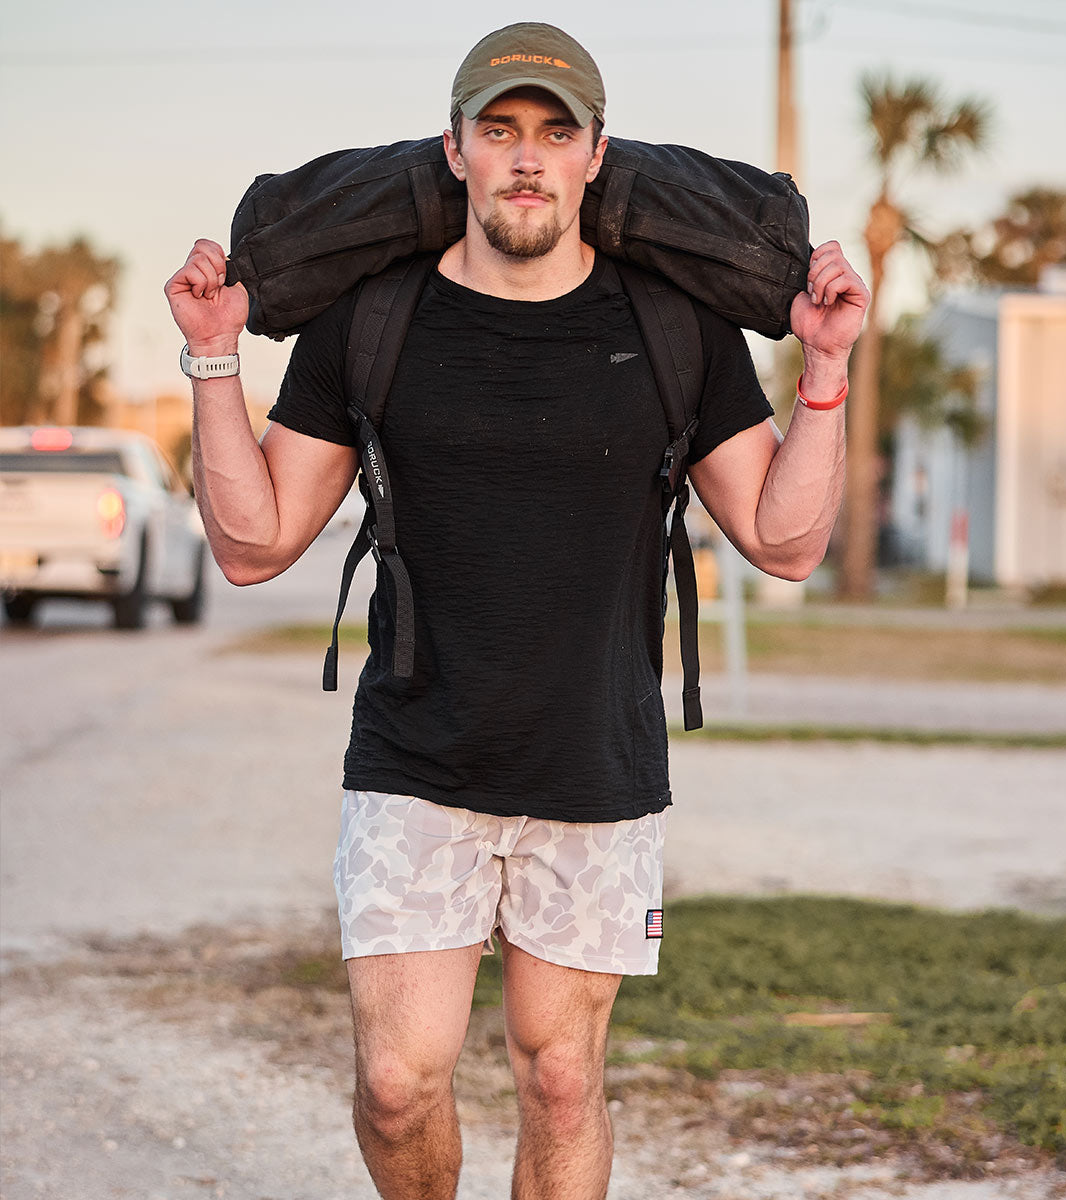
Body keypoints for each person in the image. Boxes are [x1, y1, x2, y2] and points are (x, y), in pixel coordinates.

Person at [165, 21, 868, 1200]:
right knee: (397, 1082)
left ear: (599, 155)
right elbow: (252, 542)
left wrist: (826, 374)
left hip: (595, 768)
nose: (527, 158)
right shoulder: (372, 320)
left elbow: (784, 539)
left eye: (555, 131)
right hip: (413, 760)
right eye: (500, 131)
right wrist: (214, 360)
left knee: (561, 1082)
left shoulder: (673, 326)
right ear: (455, 151)